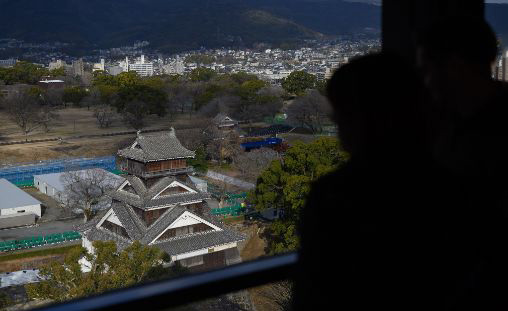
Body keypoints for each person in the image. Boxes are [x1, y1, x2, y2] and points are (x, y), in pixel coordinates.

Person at [294, 53, 444, 310]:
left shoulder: (335, 195)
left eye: (340, 115)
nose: (337, 124)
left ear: (361, 120)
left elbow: (314, 289)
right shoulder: (448, 183)